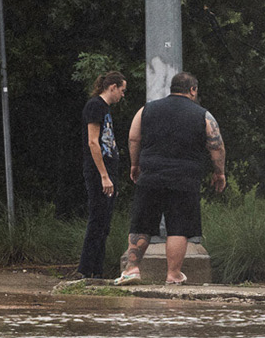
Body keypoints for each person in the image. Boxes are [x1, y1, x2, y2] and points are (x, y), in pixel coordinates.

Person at [116, 71, 225, 286]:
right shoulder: (203, 114)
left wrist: (135, 164)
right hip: (185, 178)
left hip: (151, 174)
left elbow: (133, 137)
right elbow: (216, 144)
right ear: (193, 90)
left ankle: (132, 270)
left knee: (142, 223)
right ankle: (173, 274)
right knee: (179, 227)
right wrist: (219, 172)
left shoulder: (146, 109)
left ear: (172, 89)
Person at [79, 71, 127, 279]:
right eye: (122, 90)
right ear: (112, 87)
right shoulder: (95, 105)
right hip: (99, 171)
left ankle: (97, 270)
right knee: (97, 219)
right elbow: (93, 141)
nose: (122, 95)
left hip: (108, 169)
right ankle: (85, 269)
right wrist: (103, 175)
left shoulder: (105, 108)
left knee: (105, 222)